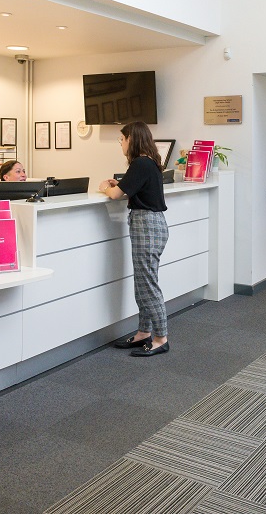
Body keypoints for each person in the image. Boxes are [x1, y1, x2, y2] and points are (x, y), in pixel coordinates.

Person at [98, 121, 170, 357]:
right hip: (151, 225)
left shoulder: (140, 162)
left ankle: (161, 338)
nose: (121, 144)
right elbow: (132, 188)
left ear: (132, 139)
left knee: (147, 285)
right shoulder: (148, 162)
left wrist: (105, 187)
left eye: (122, 139)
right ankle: (143, 332)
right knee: (143, 283)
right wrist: (120, 184)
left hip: (146, 226)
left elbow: (116, 194)